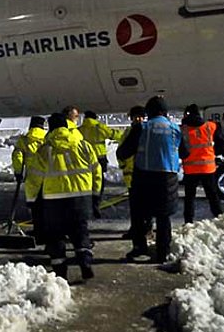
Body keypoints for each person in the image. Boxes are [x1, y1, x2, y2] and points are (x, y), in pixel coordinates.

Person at [117, 96, 189, 263]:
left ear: (148, 112)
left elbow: (123, 153)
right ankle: (162, 252)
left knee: (139, 215)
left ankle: (139, 248)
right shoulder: (175, 129)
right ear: (165, 112)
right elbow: (185, 153)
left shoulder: (142, 128)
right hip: (168, 178)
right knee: (164, 217)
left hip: (144, 177)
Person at [28, 113, 101, 280]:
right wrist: (95, 195)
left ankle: (60, 273)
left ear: (51, 128)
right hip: (80, 198)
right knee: (80, 231)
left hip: (55, 201)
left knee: (55, 236)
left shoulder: (45, 150)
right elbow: (96, 172)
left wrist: (31, 200)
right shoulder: (84, 146)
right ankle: (85, 262)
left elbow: (34, 178)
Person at [181, 104, 224, 223]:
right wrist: (216, 153)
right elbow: (222, 144)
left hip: (190, 169)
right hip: (207, 167)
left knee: (189, 198)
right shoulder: (210, 126)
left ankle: (188, 221)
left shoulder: (183, 129)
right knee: (212, 195)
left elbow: (180, 149)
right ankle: (219, 218)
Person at [78, 110, 124, 218]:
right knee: (99, 182)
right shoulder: (99, 127)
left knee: (85, 181)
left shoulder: (80, 129)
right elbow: (116, 135)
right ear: (95, 118)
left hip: (84, 159)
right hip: (99, 158)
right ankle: (96, 204)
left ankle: (86, 205)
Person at [11, 116, 47, 241]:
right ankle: (49, 231)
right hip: (49, 178)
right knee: (48, 206)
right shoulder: (47, 138)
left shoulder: (25, 140)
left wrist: (18, 172)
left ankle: (39, 231)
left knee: (36, 207)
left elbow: (17, 156)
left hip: (32, 178)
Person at [118, 106, 151, 239]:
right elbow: (120, 150)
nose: (139, 119)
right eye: (136, 116)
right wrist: (123, 165)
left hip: (145, 172)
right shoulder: (128, 132)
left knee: (147, 205)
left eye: (141, 116)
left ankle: (147, 229)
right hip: (131, 174)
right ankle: (136, 229)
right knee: (135, 206)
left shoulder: (147, 130)